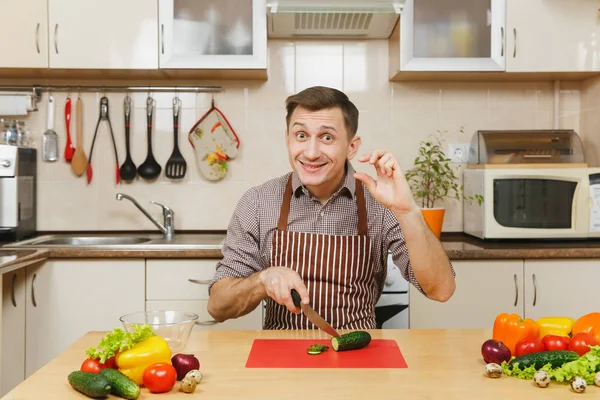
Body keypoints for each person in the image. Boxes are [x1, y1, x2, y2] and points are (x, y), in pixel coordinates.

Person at [207, 86, 455, 330]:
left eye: (327, 137)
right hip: (280, 358)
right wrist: (262, 279)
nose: (311, 153)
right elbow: (218, 308)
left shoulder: (382, 203)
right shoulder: (258, 202)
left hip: (358, 356)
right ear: (288, 139)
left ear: (352, 147)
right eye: (301, 136)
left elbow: (441, 290)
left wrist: (406, 210)